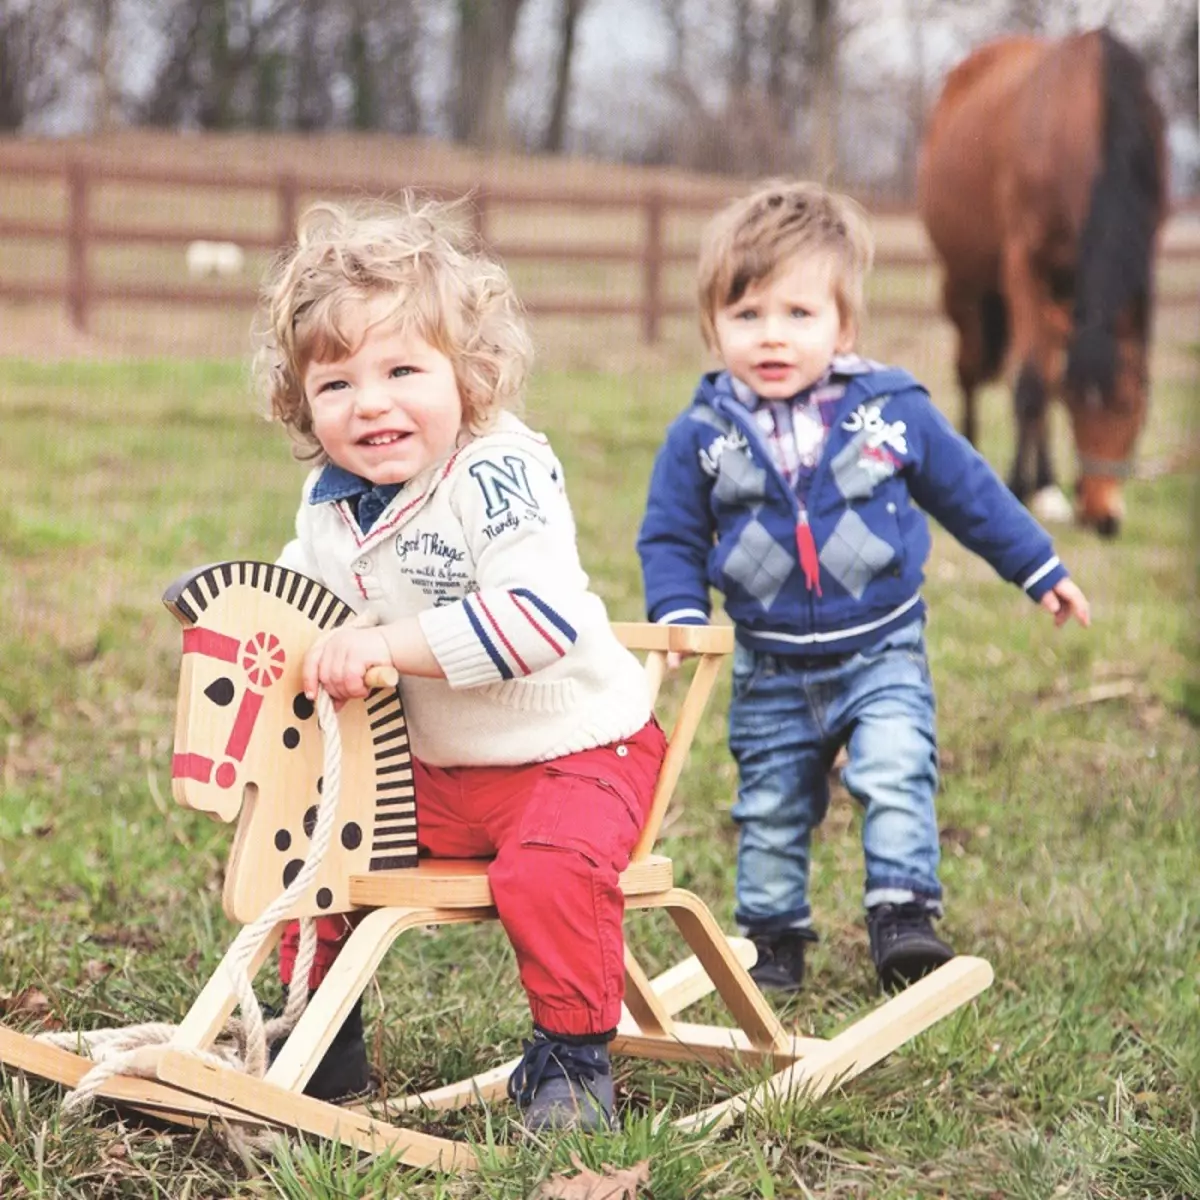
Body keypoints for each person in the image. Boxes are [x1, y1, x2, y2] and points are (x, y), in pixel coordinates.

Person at [256, 195, 666, 1130]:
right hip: (435, 772)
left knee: (549, 867)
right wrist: (258, 633)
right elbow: (295, 603)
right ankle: (319, 1029)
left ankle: (571, 1060)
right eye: (335, 385)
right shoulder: (330, 504)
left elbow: (539, 620)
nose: (372, 404)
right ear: (300, 401)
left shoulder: (498, 472)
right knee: (317, 835)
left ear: (469, 374)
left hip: (572, 751)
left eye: (403, 369)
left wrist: (384, 647)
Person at [636, 180, 1090, 995]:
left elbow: (972, 494)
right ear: (713, 325)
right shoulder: (703, 433)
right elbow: (669, 532)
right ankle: (770, 942)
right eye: (746, 316)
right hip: (770, 665)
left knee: (894, 767)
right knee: (771, 805)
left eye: (797, 315)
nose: (771, 337)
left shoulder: (892, 410)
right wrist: (677, 614)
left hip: (881, 647)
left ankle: (902, 915)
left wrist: (1038, 567)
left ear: (843, 324)